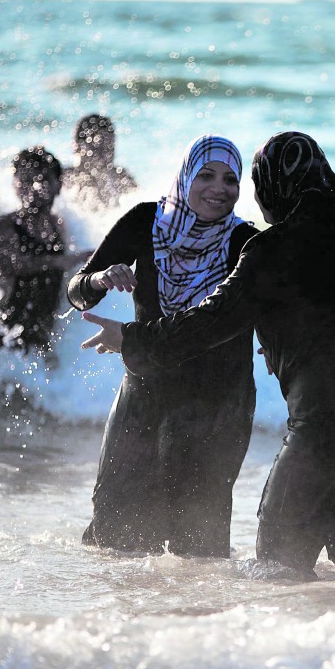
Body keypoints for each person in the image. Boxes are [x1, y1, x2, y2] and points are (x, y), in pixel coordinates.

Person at [80, 131, 335, 579]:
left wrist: (133, 340)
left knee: (277, 559)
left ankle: (303, 647)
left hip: (331, 412)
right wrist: (283, 336)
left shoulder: (269, 248)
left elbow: (213, 320)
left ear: (267, 187)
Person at [70, 135, 257, 557]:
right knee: (117, 533)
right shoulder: (145, 222)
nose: (218, 188)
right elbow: (78, 291)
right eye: (206, 175)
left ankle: (197, 621)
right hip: (145, 394)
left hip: (217, 402)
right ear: (186, 175)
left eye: (230, 180)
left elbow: (274, 308)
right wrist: (101, 278)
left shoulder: (246, 242)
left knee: (198, 549)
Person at [0, 147, 88, 371]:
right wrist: (60, 262)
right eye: (26, 180)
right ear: (15, 185)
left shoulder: (58, 226)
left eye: (42, 179)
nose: (35, 187)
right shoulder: (3, 226)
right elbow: (10, 264)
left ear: (58, 185)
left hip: (37, 337)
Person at [62, 114, 138, 210]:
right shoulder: (63, 180)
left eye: (110, 148)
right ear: (77, 146)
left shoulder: (122, 179)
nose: (106, 157)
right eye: (99, 149)